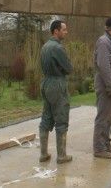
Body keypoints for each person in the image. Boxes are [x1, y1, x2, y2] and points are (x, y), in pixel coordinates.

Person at [39, 19, 73, 164]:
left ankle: (44, 154)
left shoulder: (45, 46)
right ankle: (61, 156)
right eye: (64, 30)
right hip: (57, 84)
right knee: (61, 119)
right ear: (56, 31)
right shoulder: (58, 48)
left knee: (46, 118)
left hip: (46, 83)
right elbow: (69, 68)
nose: (66, 32)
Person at [92, 17, 111, 159]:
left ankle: (105, 143)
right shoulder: (104, 42)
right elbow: (104, 67)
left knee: (109, 117)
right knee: (103, 117)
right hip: (106, 87)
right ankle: (99, 148)